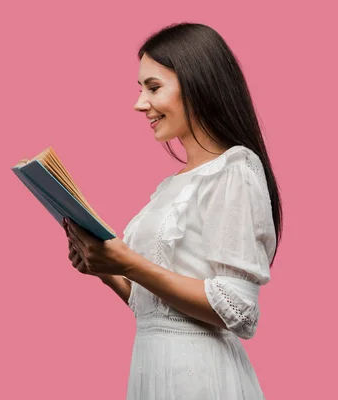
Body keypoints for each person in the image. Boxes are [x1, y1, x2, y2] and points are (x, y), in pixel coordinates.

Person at [63, 22, 282, 400]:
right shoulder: (171, 186)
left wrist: (127, 262)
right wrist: (104, 267)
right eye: (140, 89)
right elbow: (156, 308)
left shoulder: (234, 169)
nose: (139, 103)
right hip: (153, 365)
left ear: (196, 85)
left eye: (153, 87)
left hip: (199, 375)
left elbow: (240, 310)